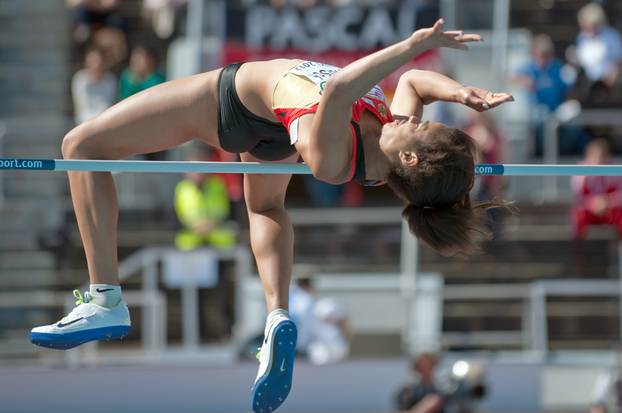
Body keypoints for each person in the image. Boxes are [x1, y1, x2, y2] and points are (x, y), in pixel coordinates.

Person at [30, 19, 513, 413]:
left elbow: (343, 87)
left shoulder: (336, 159)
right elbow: (414, 83)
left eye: (424, 126)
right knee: (264, 205)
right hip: (273, 128)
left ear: (410, 160)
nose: (416, 117)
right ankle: (277, 315)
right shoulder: (391, 129)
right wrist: (461, 93)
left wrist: (410, 45)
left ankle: (105, 298)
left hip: (231, 104)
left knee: (82, 145)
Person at [174, 146, 237, 251]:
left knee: (227, 239)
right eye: (193, 170)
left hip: (217, 235)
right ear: (186, 172)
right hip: (191, 238)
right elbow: (179, 217)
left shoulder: (218, 184)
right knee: (183, 242)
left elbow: (225, 211)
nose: (197, 173)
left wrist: (210, 224)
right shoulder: (181, 189)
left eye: (200, 169)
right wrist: (197, 226)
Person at [571, 139, 622, 239]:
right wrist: (593, 203)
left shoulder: (615, 169)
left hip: (610, 209)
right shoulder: (580, 171)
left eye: (602, 156)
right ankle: (578, 252)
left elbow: (620, 193)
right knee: (578, 216)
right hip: (589, 210)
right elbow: (578, 196)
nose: (599, 160)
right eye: (596, 156)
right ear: (589, 156)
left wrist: (607, 202)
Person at [71, 47, 117, 124]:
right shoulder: (79, 79)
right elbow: (82, 107)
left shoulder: (111, 80)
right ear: (87, 62)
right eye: (93, 61)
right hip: (84, 123)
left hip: (104, 123)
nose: (96, 65)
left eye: (98, 62)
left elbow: (108, 105)